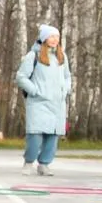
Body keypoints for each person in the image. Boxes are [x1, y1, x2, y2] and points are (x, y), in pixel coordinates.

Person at [16, 25, 71, 177]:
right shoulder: (33, 55)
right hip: (38, 102)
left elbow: (67, 76)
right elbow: (21, 77)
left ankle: (44, 164)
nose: (54, 40)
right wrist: (35, 90)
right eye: (51, 36)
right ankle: (28, 162)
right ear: (44, 38)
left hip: (57, 104)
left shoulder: (62, 56)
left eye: (57, 37)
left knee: (52, 136)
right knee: (35, 135)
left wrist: (65, 90)